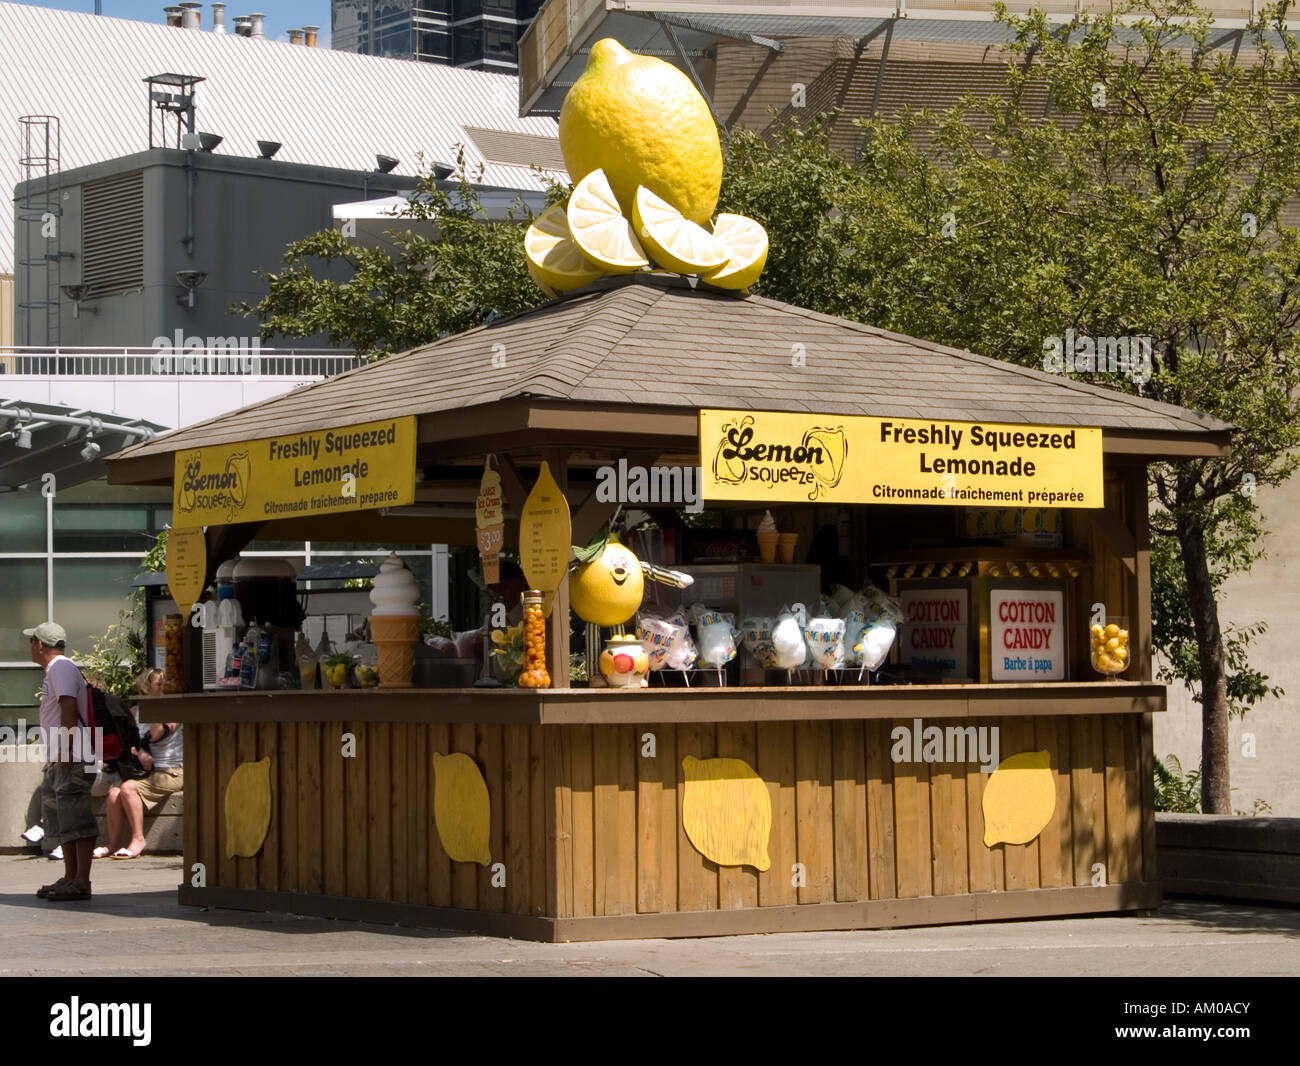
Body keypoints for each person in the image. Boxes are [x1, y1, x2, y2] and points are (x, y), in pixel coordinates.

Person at [26, 621, 96, 901]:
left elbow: (68, 707)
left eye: (31, 642)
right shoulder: (55, 670)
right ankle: (70, 877)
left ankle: (81, 881)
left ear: (40, 645)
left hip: (74, 757)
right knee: (66, 818)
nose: (30, 647)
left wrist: (66, 751)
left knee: (77, 817)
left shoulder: (61, 668)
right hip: (63, 757)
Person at [99, 670, 181, 859]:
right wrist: (139, 752)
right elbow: (126, 742)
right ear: (146, 687)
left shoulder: (173, 710)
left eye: (165, 685)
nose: (163, 689)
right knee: (113, 793)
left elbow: (157, 734)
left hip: (171, 770)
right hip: (145, 773)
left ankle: (138, 839)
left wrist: (154, 706)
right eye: (159, 685)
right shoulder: (135, 712)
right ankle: (112, 844)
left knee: (128, 788)